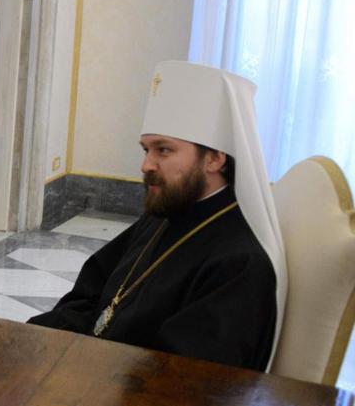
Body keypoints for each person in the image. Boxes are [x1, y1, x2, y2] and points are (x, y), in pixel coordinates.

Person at [28, 61, 286, 371]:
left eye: (163, 150)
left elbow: (185, 380)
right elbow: (89, 295)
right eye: (146, 149)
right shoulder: (167, 211)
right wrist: (37, 340)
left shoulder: (239, 263)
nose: (146, 165)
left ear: (215, 158)